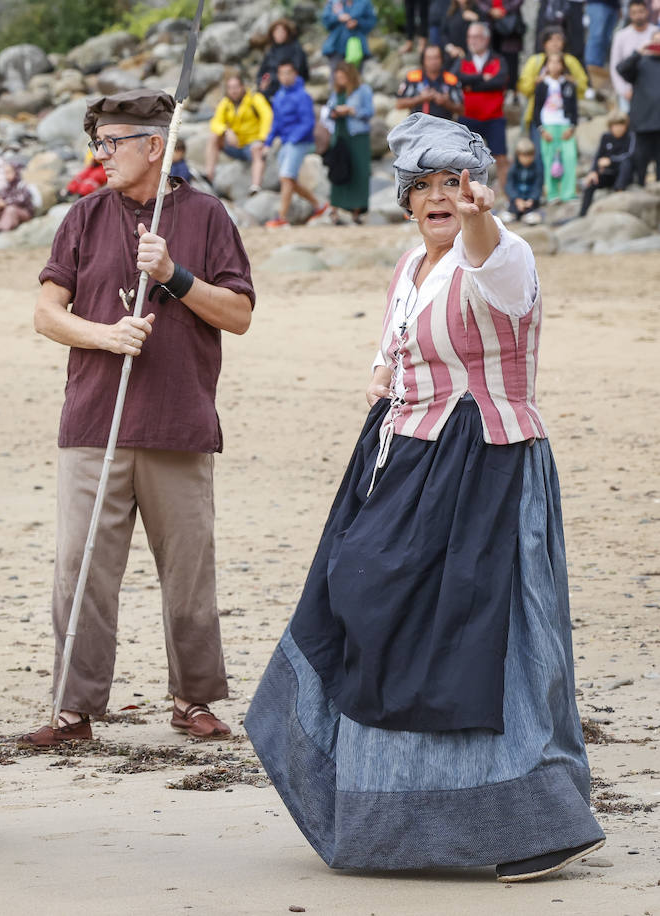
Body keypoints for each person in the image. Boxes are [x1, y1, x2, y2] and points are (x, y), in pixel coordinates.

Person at [245, 112, 606, 884]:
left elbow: (490, 268)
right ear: (407, 199)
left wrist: (480, 224)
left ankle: (534, 823)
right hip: (404, 463)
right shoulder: (409, 270)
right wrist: (383, 378)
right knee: (367, 601)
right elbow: (396, 352)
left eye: (455, 183)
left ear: (476, 189)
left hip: (487, 470)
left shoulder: (503, 253)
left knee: (485, 639)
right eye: (427, 186)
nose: (442, 198)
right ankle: (383, 814)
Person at [21, 88, 255, 748]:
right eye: (96, 143)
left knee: (188, 573)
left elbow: (237, 314)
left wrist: (175, 275)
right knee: (82, 569)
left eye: (112, 142)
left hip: (180, 423)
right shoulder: (83, 217)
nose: (101, 155)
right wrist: (104, 335)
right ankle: (74, 711)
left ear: (155, 145)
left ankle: (194, 700)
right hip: (94, 423)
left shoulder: (207, 217)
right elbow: (46, 314)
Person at [265, 61, 327, 228]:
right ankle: (318, 205)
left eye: (288, 73)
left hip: (299, 142)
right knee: (289, 180)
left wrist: (294, 138)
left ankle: (282, 217)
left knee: (286, 177)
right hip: (286, 142)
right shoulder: (279, 96)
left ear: (295, 75)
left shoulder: (302, 96)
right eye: (282, 74)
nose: (285, 77)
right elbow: (276, 122)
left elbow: (308, 122)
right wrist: (268, 141)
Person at [453, 23, 511, 190]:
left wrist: (471, 85)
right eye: (470, 37)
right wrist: (482, 78)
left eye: (476, 36)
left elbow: (500, 81)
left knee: (501, 158)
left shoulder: (498, 59)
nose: (472, 41)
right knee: (463, 160)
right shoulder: (462, 60)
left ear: (486, 39)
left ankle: (507, 198)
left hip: (494, 116)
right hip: (468, 117)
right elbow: (455, 79)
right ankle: (465, 195)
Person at [205, 75, 272, 194]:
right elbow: (215, 122)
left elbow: (267, 117)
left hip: (252, 143)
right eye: (230, 88)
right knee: (214, 137)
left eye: (236, 87)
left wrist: (263, 139)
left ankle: (255, 186)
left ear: (242, 87)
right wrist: (226, 131)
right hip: (235, 144)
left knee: (257, 150)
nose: (234, 91)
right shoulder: (225, 103)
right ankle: (209, 176)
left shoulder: (255, 98)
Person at [325, 61, 374, 223]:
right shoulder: (336, 93)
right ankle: (335, 209)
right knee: (338, 170)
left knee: (359, 172)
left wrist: (351, 111)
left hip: (357, 137)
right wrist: (334, 113)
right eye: (337, 77)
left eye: (343, 77)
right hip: (340, 136)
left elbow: (369, 112)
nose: (340, 80)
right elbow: (328, 110)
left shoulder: (363, 90)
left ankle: (357, 210)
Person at [519, 26, 589, 136]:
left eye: (559, 39)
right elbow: (523, 87)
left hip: (564, 118)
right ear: (544, 43)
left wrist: (573, 82)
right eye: (551, 39)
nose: (555, 43)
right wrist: (535, 82)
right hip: (539, 116)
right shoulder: (535, 61)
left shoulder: (570, 61)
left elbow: (583, 86)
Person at [533, 52, 580, 202]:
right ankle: (552, 194)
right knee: (549, 159)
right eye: (551, 62)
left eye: (558, 62)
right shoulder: (541, 85)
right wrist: (541, 129)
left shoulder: (568, 84)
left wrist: (572, 127)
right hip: (548, 126)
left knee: (569, 158)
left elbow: (574, 108)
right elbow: (536, 108)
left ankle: (568, 192)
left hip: (565, 125)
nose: (555, 65)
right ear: (546, 66)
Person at [616, 29, 660, 184]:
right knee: (640, 158)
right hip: (642, 121)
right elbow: (620, 69)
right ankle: (639, 184)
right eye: (655, 40)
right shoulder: (640, 62)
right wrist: (639, 52)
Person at [579, 111, 637, 214]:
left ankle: (619, 194)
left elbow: (630, 155)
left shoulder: (630, 136)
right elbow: (598, 156)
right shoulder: (605, 137)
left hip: (623, 175)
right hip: (608, 174)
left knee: (626, 163)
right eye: (615, 125)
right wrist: (593, 172)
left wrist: (611, 161)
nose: (619, 128)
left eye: (621, 125)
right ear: (611, 126)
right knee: (591, 182)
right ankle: (582, 214)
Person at [396, 44, 466, 121]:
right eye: (429, 58)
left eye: (436, 58)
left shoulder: (451, 79)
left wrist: (446, 103)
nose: (433, 62)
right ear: (423, 60)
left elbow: (462, 110)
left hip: (444, 128)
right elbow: (399, 104)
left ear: (442, 59)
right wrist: (420, 98)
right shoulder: (413, 77)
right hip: (417, 126)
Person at [614, 0, 660, 112]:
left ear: (647, 12)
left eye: (641, 11)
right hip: (628, 93)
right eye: (634, 12)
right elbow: (615, 66)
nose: (638, 16)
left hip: (653, 92)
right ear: (629, 14)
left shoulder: (656, 33)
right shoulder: (621, 36)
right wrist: (624, 91)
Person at [479, 0, 528, 90]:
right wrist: (490, 10)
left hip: (509, 23)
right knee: (491, 58)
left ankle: (511, 89)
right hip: (490, 23)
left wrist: (504, 9)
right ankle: (492, 87)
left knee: (511, 61)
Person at [321, 0, 378, 74]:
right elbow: (325, 21)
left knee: (355, 77)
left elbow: (371, 22)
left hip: (357, 48)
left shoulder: (364, 3)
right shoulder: (334, 2)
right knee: (337, 77)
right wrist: (338, 18)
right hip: (336, 46)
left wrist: (357, 22)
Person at [257, 19, 310, 97]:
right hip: (270, 86)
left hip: (288, 86)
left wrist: (274, 78)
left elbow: (297, 71)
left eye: (282, 32)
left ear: (287, 33)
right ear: (272, 34)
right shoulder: (271, 51)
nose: (279, 34)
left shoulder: (295, 48)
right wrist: (264, 81)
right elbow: (263, 72)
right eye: (276, 32)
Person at [0, 161, 39, 231]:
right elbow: (2, 197)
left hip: (24, 212)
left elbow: (22, 199)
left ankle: (3, 229)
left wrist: (5, 203)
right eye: (5, 173)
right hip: (8, 209)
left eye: (9, 172)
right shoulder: (6, 187)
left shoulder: (23, 185)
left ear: (16, 171)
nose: (6, 175)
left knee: (11, 209)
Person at [504, 136, 545, 222]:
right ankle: (513, 214)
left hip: (530, 197)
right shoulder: (514, 168)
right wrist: (516, 199)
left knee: (531, 207)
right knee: (513, 207)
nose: (527, 159)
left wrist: (532, 199)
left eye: (529, 156)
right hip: (517, 197)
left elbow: (537, 185)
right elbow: (509, 185)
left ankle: (530, 215)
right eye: (524, 156)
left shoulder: (537, 168)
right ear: (518, 156)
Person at [586, 0, 623, 92]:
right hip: (598, 4)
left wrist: (618, 7)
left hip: (613, 6)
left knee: (606, 39)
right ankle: (591, 68)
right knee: (597, 37)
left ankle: (598, 67)